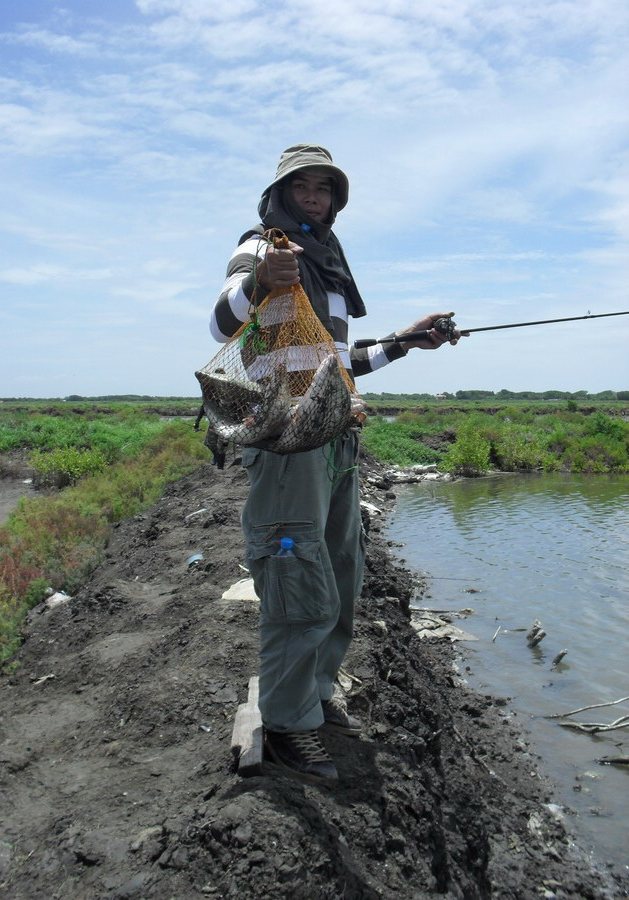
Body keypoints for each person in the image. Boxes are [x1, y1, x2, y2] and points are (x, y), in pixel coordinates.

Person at [209, 144, 460, 785]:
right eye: (304, 187)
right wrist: (263, 278)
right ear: (282, 194)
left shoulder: (328, 262)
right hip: (289, 443)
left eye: (325, 188)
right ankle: (289, 726)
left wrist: (407, 342)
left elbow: (339, 362)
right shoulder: (263, 247)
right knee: (297, 578)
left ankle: (317, 693)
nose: (315, 196)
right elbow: (221, 320)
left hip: (336, 439)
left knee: (342, 572)